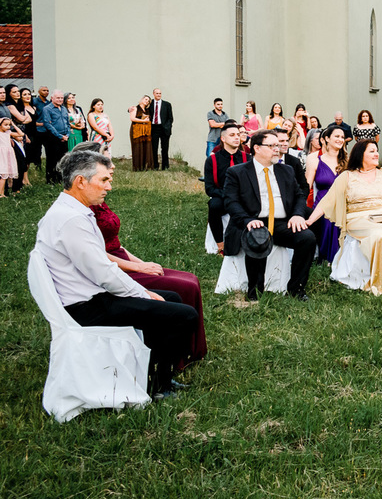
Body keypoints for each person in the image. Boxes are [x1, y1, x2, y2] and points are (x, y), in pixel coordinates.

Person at [35, 148, 198, 397]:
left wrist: (143, 290)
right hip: (85, 306)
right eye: (103, 180)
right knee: (184, 315)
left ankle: (154, 375)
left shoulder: (74, 211)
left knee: (173, 300)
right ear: (80, 181)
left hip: (92, 296)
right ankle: (159, 386)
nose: (108, 186)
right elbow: (104, 273)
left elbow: (101, 263)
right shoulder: (71, 220)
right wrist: (143, 293)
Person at [69, 142, 208, 367]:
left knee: (190, 278)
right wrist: (138, 268)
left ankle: (188, 350)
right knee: (184, 288)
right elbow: (97, 256)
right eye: (107, 162)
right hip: (112, 267)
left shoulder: (98, 200)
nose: (112, 167)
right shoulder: (83, 209)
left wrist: (142, 262)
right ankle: (176, 358)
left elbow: (117, 244)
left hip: (120, 257)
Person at [306, 140, 382, 295]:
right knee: (377, 233)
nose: (376, 154)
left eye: (376, 151)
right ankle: (381, 282)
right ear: (361, 155)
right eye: (371, 151)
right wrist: (309, 221)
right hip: (358, 218)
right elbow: (327, 201)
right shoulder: (346, 176)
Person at [222, 130, 318, 302]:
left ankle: (296, 289)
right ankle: (255, 292)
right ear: (257, 148)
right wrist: (248, 220)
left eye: (278, 145)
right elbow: (231, 202)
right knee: (257, 236)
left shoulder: (286, 170)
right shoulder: (237, 172)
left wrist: (297, 215)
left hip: (282, 222)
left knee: (307, 238)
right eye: (272, 145)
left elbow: (299, 196)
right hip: (254, 221)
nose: (278, 148)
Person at [204, 121, 248, 254]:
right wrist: (228, 195)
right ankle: (220, 245)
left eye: (238, 135)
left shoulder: (248, 158)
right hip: (223, 196)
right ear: (223, 138)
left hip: (243, 197)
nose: (236, 137)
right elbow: (209, 188)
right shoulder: (212, 160)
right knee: (214, 205)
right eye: (232, 135)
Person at [306, 125, 348, 263]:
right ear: (326, 139)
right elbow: (307, 186)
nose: (340, 139)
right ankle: (324, 259)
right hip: (322, 202)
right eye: (337, 136)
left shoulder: (348, 161)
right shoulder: (315, 160)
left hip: (343, 202)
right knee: (326, 219)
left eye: (342, 137)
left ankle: (339, 258)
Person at [41, 90, 71, 183]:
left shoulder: (64, 108)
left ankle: (60, 178)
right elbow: (48, 124)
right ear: (52, 98)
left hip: (65, 137)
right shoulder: (47, 109)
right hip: (53, 138)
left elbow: (67, 123)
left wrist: (67, 134)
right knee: (52, 159)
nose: (60, 100)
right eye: (58, 98)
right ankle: (51, 179)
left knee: (62, 159)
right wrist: (59, 136)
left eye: (61, 98)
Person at [149, 88, 174, 170]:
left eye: (160, 93)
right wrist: (130, 109)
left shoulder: (167, 104)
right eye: (157, 93)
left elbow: (170, 118)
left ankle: (165, 166)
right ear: (153, 94)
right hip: (154, 128)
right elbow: (140, 108)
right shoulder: (150, 103)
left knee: (165, 148)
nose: (159, 95)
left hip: (164, 129)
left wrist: (167, 126)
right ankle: (155, 166)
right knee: (154, 148)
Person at [128, 95, 152, 171]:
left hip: (145, 131)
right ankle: (137, 167)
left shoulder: (147, 110)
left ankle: (146, 166)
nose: (147, 101)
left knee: (146, 147)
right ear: (141, 99)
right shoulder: (135, 108)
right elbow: (132, 118)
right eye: (146, 99)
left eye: (148, 101)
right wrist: (143, 121)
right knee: (137, 148)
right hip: (136, 130)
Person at [30, 85, 50, 168]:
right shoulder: (35, 102)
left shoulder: (48, 103)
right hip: (38, 129)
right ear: (39, 92)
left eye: (47, 90)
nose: (46, 92)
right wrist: (36, 123)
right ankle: (37, 166)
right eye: (44, 90)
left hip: (47, 129)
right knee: (37, 150)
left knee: (48, 149)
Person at [0, 118, 18, 196]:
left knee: (5, 174)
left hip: (7, 155)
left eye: (9, 125)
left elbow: (21, 134)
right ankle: (1, 193)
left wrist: (13, 124)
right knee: (3, 174)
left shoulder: (8, 133)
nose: (8, 127)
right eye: (5, 125)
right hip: (2, 154)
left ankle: (2, 193)